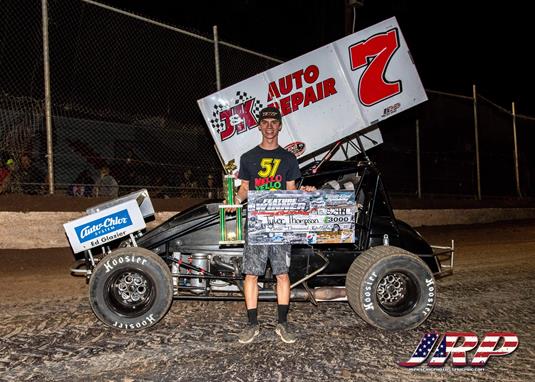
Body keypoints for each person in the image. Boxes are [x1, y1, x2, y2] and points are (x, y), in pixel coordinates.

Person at [234, 106, 314, 344]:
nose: (269, 126)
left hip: (281, 222)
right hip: (257, 222)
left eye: (273, 122)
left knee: (281, 273)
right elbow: (245, 188)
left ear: (279, 126)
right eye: (265, 122)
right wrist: (234, 201)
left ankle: (283, 323)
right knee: (251, 273)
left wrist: (304, 191)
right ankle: (252, 324)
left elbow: (290, 191)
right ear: (259, 126)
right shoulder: (248, 157)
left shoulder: (288, 158)